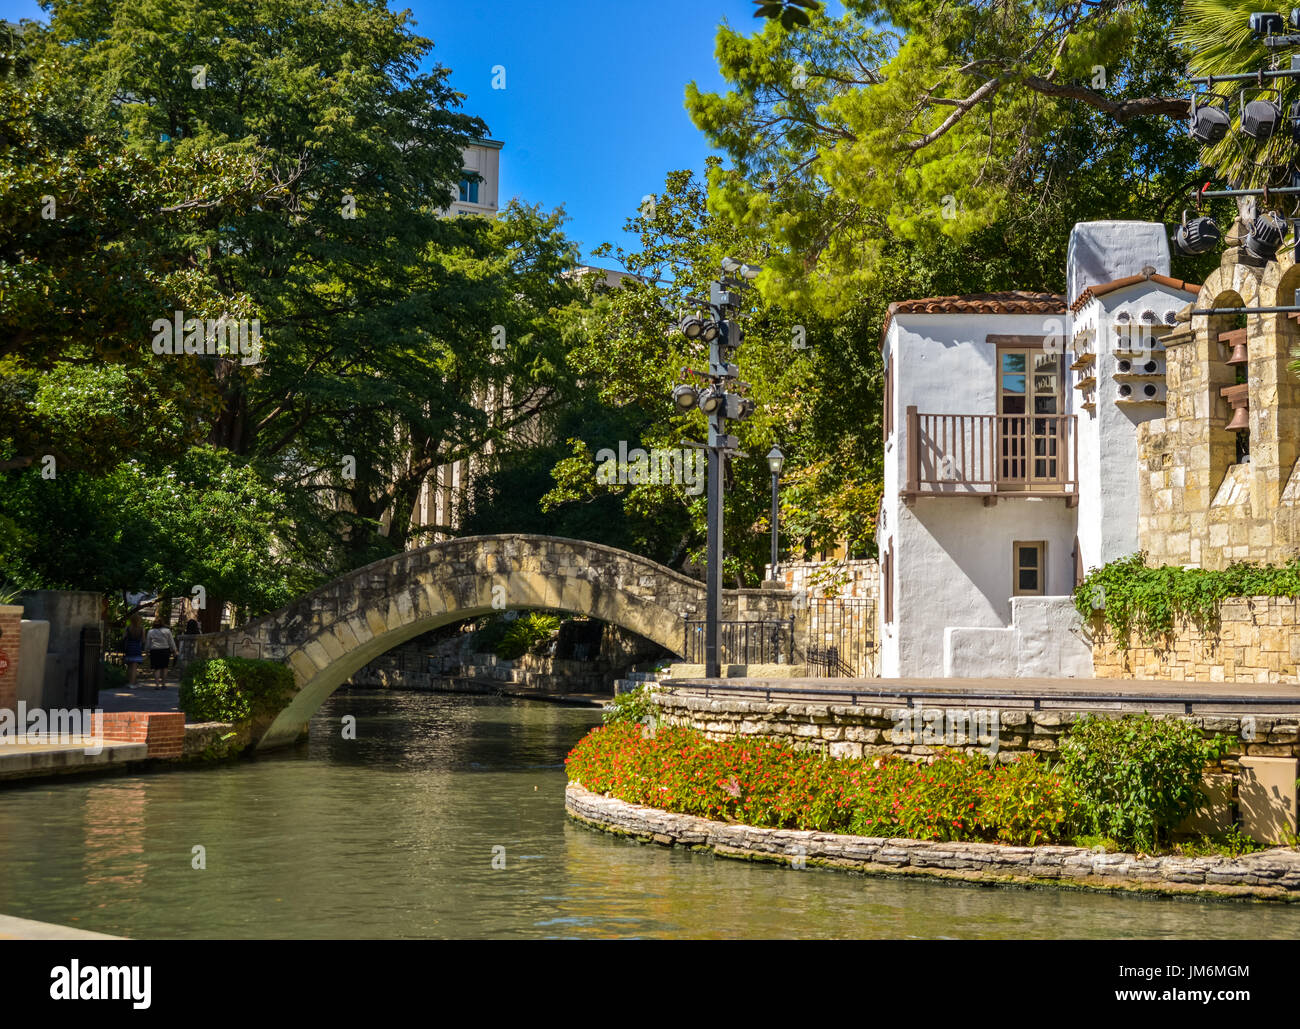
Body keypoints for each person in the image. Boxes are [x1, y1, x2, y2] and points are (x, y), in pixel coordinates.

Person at [145, 617, 179, 689]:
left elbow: (148, 642)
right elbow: (171, 642)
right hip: (165, 650)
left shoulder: (150, 631)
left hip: (154, 651)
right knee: (164, 667)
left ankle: (157, 684)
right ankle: (163, 684)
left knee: (156, 668)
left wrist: (146, 650)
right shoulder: (167, 631)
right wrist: (174, 650)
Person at [122, 614, 145, 687]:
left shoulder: (128, 628)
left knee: (129, 666)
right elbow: (143, 640)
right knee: (134, 667)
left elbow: (123, 637)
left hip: (129, 647)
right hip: (137, 647)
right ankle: (132, 683)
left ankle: (130, 682)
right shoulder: (141, 628)